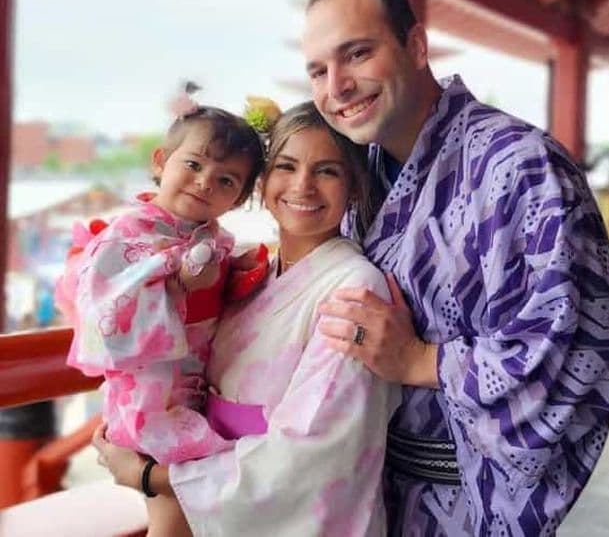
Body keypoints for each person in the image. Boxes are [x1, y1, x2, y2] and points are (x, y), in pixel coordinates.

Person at [302, 0, 609, 535]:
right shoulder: (358, 180)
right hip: (367, 499)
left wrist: (417, 360)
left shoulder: (522, 166)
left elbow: (578, 351)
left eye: (357, 54)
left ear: (416, 45)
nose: (337, 86)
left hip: (467, 509)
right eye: (318, 70)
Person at [94, 101, 400, 537]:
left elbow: (313, 451)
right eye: (287, 167)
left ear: (354, 186)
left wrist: (151, 477)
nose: (303, 186)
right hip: (217, 497)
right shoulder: (248, 272)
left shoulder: (354, 289)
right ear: (261, 182)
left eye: (328, 171)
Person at [56, 90, 267, 535]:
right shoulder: (127, 234)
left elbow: (211, 289)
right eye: (193, 164)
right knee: (174, 520)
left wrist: (229, 275)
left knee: (196, 517)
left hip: (190, 392)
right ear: (161, 161)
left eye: (227, 180)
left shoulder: (212, 236)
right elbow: (107, 306)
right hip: (149, 401)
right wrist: (173, 284)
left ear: (240, 198)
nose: (205, 182)